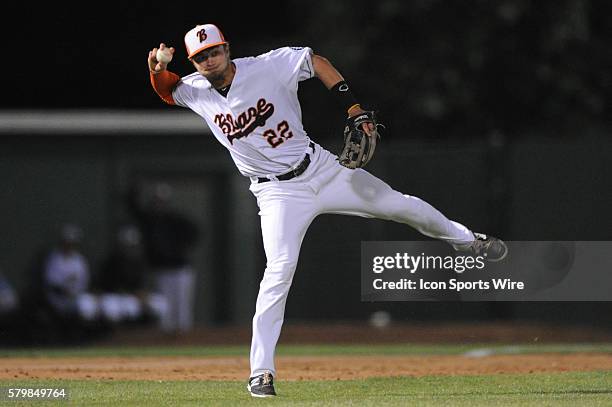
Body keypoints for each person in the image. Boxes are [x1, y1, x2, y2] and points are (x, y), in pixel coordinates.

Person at [147, 24, 508, 397]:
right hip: (277, 195)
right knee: (279, 271)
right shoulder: (197, 90)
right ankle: (261, 372)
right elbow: (168, 90)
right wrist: (157, 68)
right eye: (201, 57)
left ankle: (468, 241)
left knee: (400, 205)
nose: (210, 59)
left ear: (227, 48)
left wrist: (352, 105)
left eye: (215, 51)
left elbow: (316, 62)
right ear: (194, 62)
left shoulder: (267, 67)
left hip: (322, 167)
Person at [127, 182, 200, 334]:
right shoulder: (150, 220)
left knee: (181, 306)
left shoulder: (175, 219)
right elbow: (135, 211)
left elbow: (195, 232)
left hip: (180, 268)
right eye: (157, 200)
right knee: (164, 307)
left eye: (162, 201)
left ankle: (185, 338)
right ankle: (166, 339)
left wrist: (180, 248)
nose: (159, 204)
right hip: (161, 269)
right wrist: (133, 194)